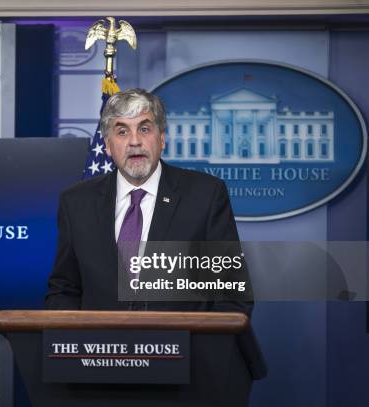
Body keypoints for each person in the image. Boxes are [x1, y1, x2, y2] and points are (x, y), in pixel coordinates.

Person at [45, 88, 266, 379]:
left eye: (144, 128)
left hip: (188, 371)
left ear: (162, 138)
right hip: (99, 368)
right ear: (108, 145)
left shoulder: (205, 195)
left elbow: (231, 293)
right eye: (121, 131)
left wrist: (196, 357)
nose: (134, 141)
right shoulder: (77, 202)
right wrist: (78, 348)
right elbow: (65, 289)